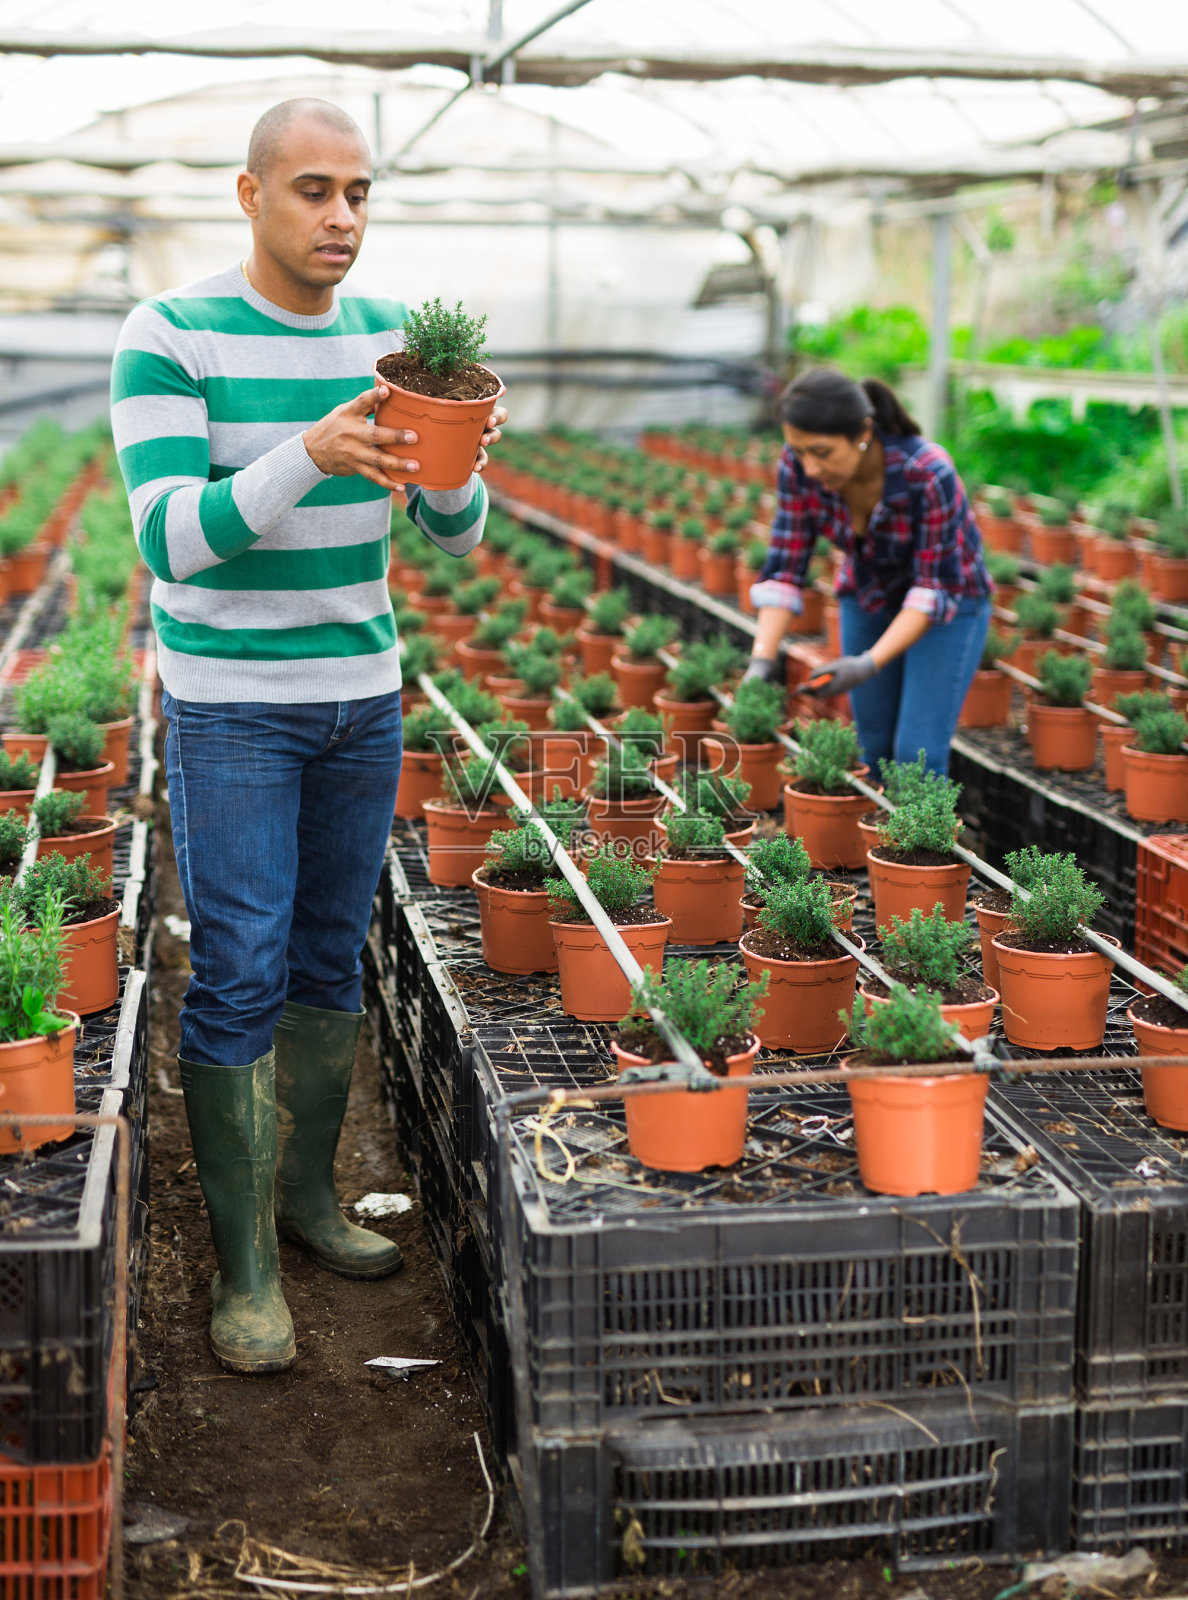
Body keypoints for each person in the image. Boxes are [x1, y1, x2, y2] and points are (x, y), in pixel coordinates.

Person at [111, 99, 508, 1375]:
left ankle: (307, 1199)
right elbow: (171, 537)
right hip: (230, 704)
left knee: (331, 956)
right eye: (313, 191)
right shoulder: (170, 335)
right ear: (251, 195)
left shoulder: (395, 342)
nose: (341, 217)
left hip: (361, 691)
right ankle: (242, 1268)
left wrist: (451, 464)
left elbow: (457, 534)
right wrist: (310, 449)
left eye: (358, 193)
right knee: (238, 962)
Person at [745, 368, 992, 775]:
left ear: (862, 433)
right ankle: (877, 837)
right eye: (799, 451)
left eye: (821, 452)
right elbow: (785, 566)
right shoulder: (798, 469)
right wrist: (761, 662)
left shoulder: (928, 473)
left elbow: (932, 590)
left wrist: (867, 663)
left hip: (950, 605)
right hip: (869, 594)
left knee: (917, 754)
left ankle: (922, 837)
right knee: (872, 745)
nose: (809, 468)